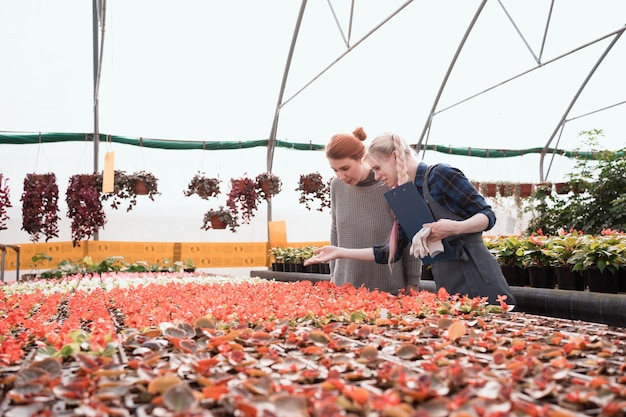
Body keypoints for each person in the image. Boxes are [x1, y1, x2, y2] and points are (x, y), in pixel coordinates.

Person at [306, 131, 517, 307]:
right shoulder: (404, 195)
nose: (377, 176)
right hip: (445, 278)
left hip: (476, 271)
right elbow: (391, 251)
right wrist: (340, 252)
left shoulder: (440, 175)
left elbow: (487, 215)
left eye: (378, 168)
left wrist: (455, 228)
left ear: (395, 158)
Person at [323, 127, 421, 295]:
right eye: (335, 170)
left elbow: (414, 236)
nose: (341, 176)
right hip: (345, 285)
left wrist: (413, 281)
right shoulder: (336, 186)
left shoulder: (393, 182)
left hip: (387, 287)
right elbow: (336, 230)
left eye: (345, 168)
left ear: (362, 158)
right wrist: (334, 274)